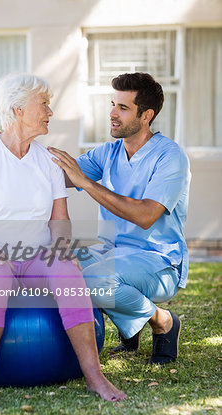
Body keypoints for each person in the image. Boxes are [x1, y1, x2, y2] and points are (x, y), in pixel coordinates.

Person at [0, 72, 127, 411]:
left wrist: (62, 248)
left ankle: (95, 376)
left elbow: (59, 218)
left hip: (35, 257)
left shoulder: (47, 159)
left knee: (66, 269)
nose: (51, 111)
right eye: (44, 104)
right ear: (17, 109)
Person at [47, 72, 191, 364]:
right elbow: (54, 174)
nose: (112, 113)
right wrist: (8, 147)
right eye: (113, 104)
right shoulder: (108, 153)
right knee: (57, 266)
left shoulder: (170, 157)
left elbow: (146, 215)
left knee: (91, 280)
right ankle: (129, 328)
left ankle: (163, 322)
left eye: (123, 108)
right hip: (112, 253)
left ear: (146, 115)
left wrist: (87, 183)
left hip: (159, 262)